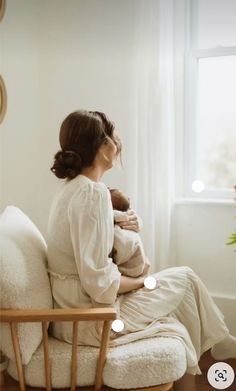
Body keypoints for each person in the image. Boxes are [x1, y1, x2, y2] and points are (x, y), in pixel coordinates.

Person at [47, 110, 236, 391]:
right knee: (185, 279)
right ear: (103, 146)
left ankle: (222, 348)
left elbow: (91, 251)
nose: (117, 143)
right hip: (91, 320)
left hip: (76, 314)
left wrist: (121, 223)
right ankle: (224, 348)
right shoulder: (92, 193)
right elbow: (100, 284)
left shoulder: (73, 190)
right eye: (113, 137)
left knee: (179, 326)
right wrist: (141, 282)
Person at [109, 188, 149, 277]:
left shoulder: (120, 215)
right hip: (135, 267)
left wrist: (138, 222)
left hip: (134, 262)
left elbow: (131, 215)